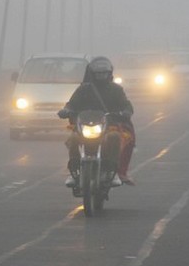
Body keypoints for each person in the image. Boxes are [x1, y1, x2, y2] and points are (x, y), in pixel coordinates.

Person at [58, 56, 136, 188]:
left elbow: (126, 105)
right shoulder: (83, 89)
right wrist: (66, 110)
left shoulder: (116, 90)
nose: (101, 76)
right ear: (92, 74)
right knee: (74, 138)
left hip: (110, 126)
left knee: (115, 137)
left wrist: (125, 112)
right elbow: (71, 104)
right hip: (85, 125)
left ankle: (113, 171)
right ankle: (74, 171)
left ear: (109, 74)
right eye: (98, 74)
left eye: (104, 73)